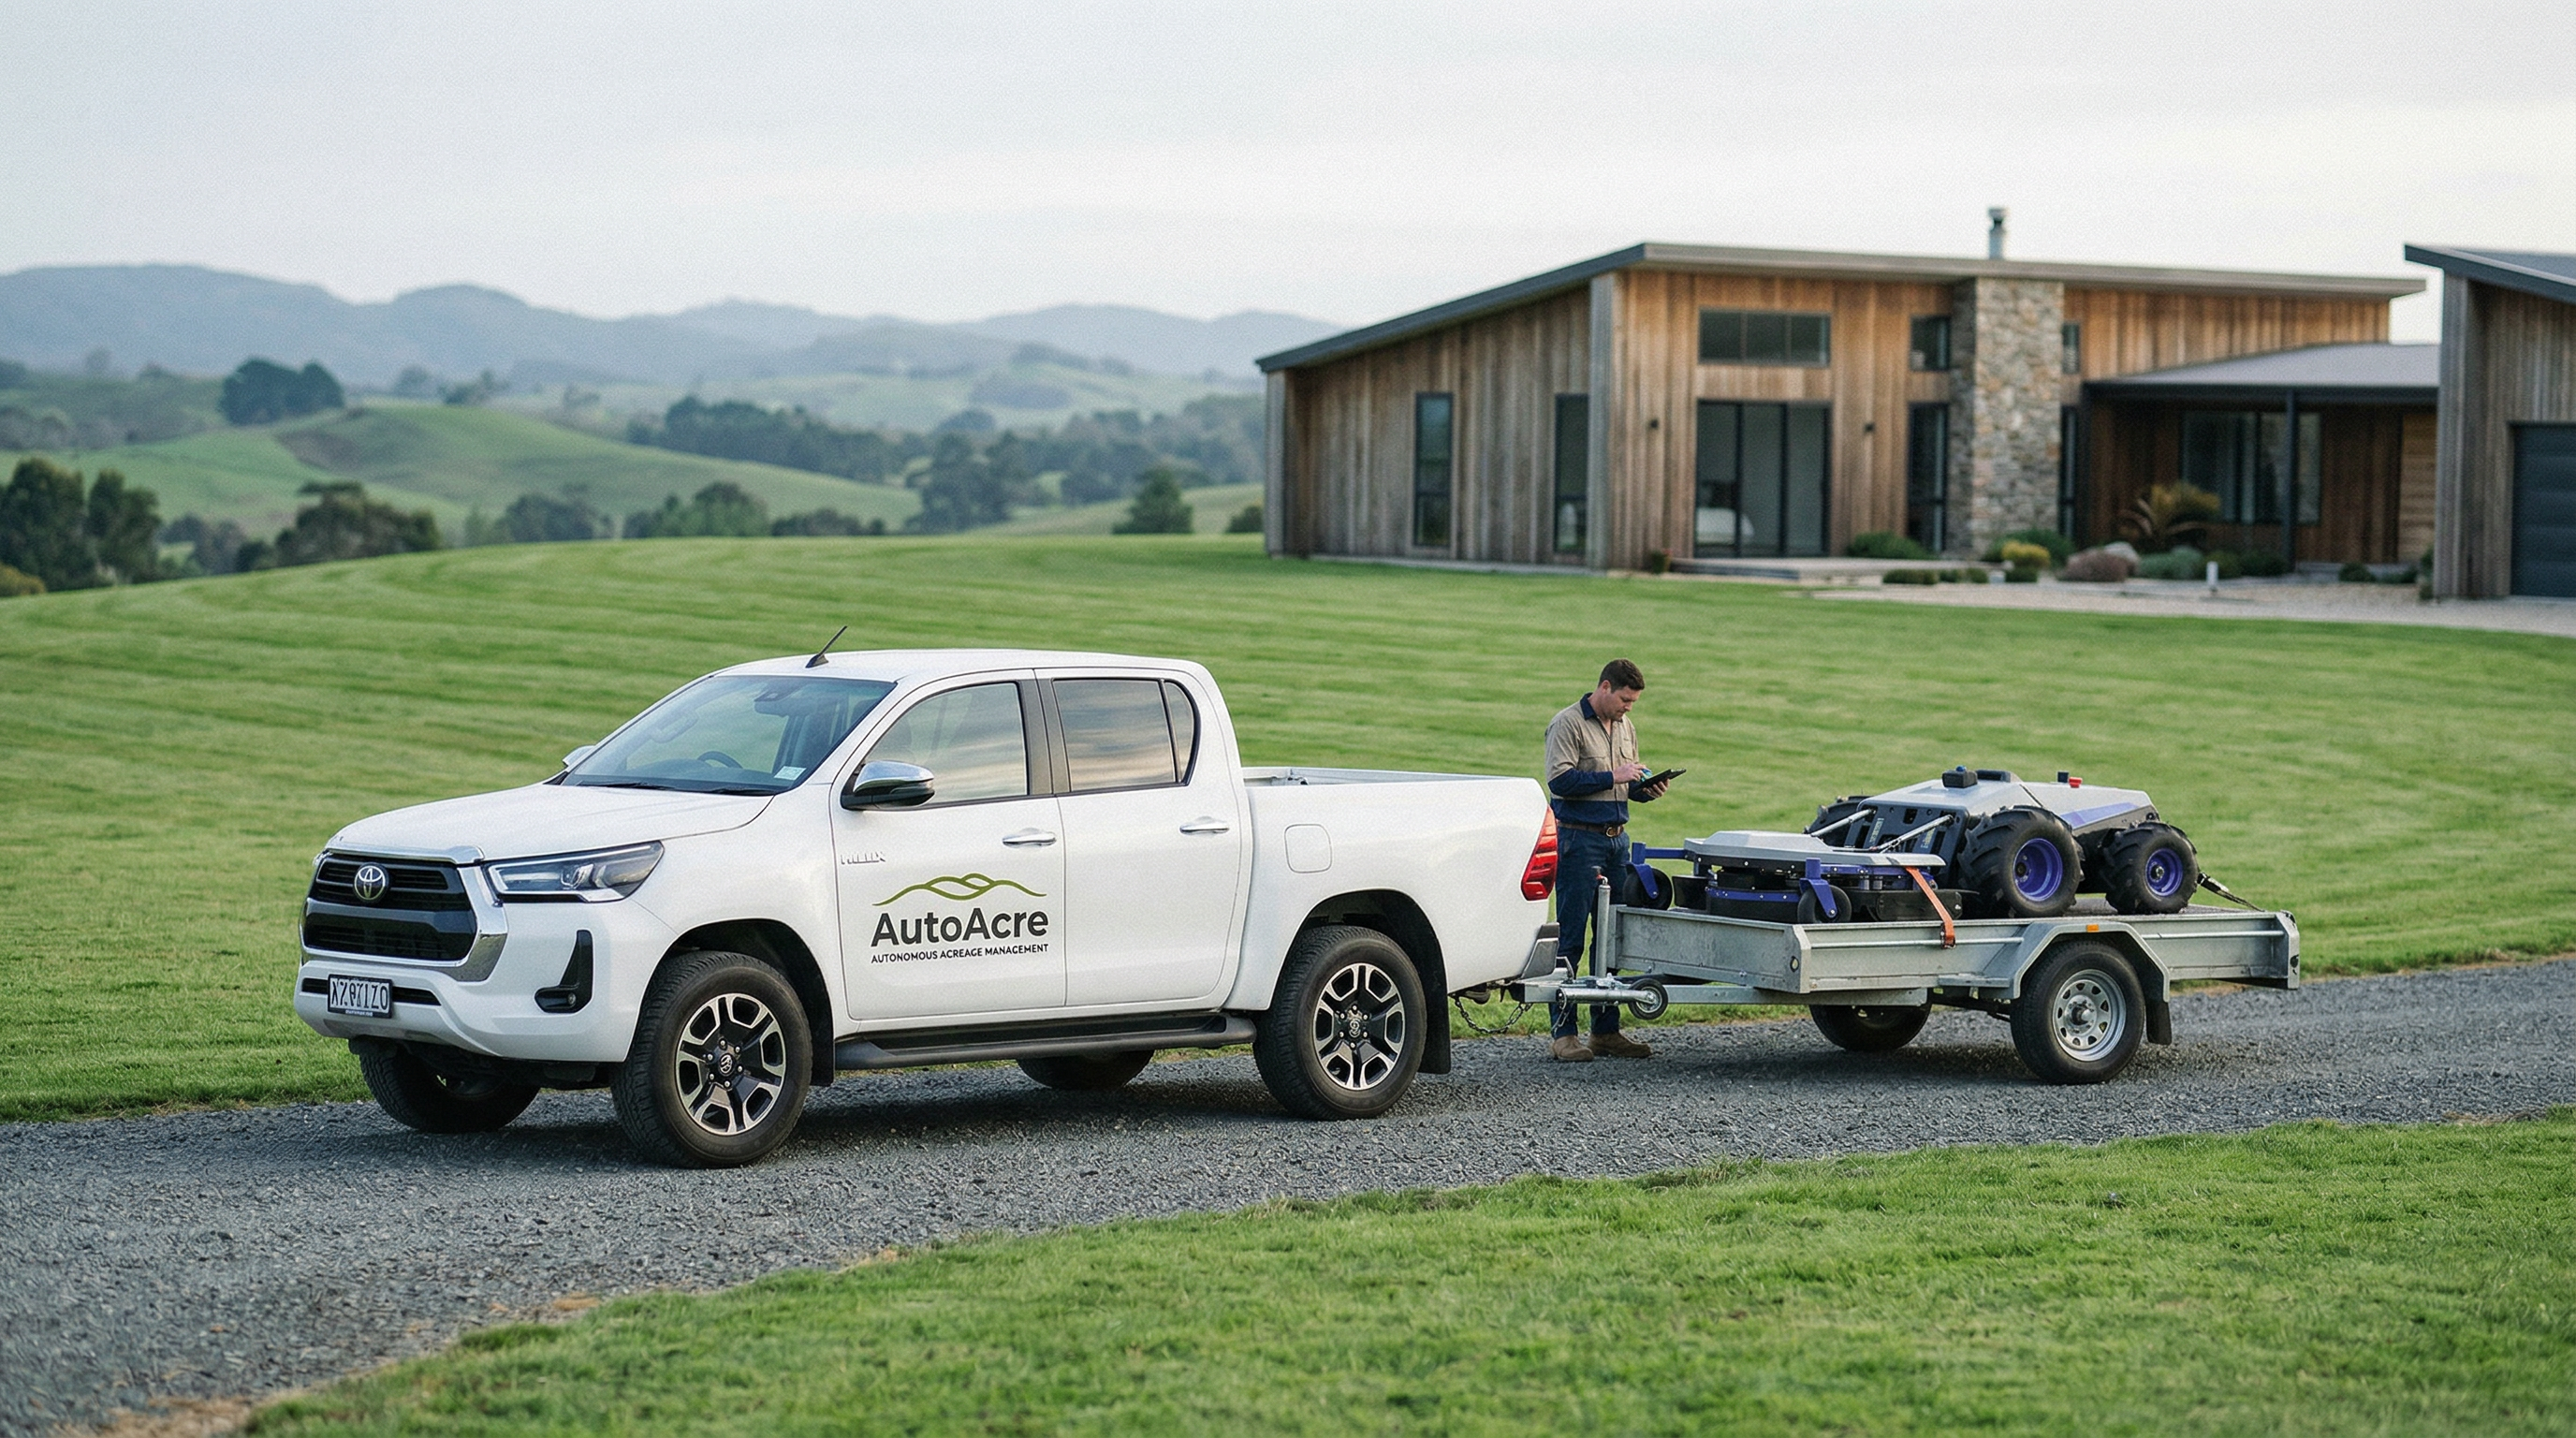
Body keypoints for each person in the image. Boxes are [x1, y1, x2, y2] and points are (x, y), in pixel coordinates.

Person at [1542, 658, 1669, 1062]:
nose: (1629, 708)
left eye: (1633, 702)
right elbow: (1560, 781)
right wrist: (1615, 776)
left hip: (1617, 841)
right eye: (1625, 700)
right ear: (1605, 687)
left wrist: (1644, 788)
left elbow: (1625, 782)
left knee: (1613, 938)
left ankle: (1606, 1030)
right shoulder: (1568, 724)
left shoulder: (1626, 727)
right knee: (1573, 935)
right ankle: (1563, 1034)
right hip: (1579, 840)